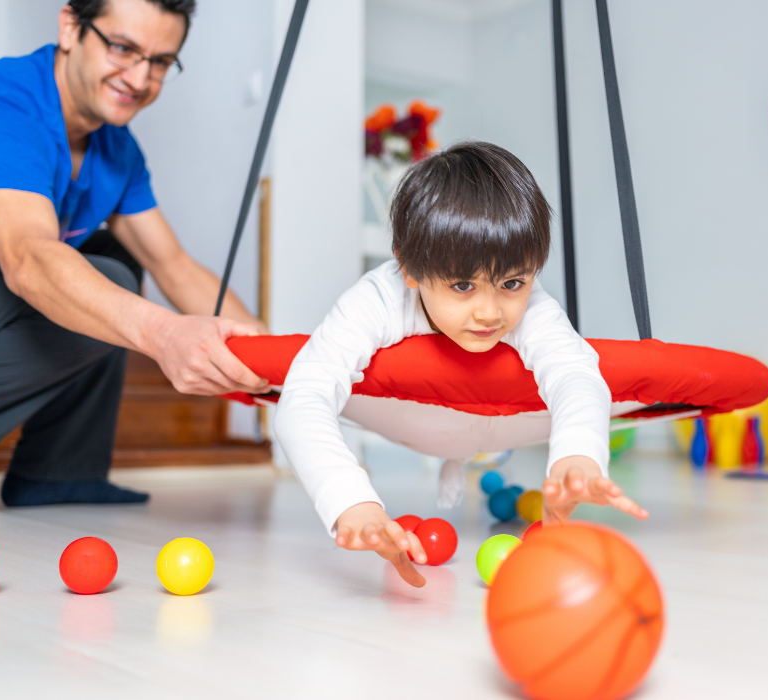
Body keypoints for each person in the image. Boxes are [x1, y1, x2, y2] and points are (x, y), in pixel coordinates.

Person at [0, 0, 269, 529]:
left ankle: (59, 470)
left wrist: (269, 361)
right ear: (70, 27)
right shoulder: (6, 106)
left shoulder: (116, 149)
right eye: (123, 48)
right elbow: (28, 261)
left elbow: (174, 266)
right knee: (94, 276)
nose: (139, 77)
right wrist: (164, 336)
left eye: (159, 61)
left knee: (113, 259)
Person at [275, 142, 647, 588]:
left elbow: (575, 376)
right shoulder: (377, 299)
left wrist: (578, 457)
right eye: (463, 286)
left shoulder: (534, 309)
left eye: (513, 282)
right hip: (405, 420)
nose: (490, 312)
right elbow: (304, 397)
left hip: (495, 423)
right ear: (408, 268)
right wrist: (350, 501)